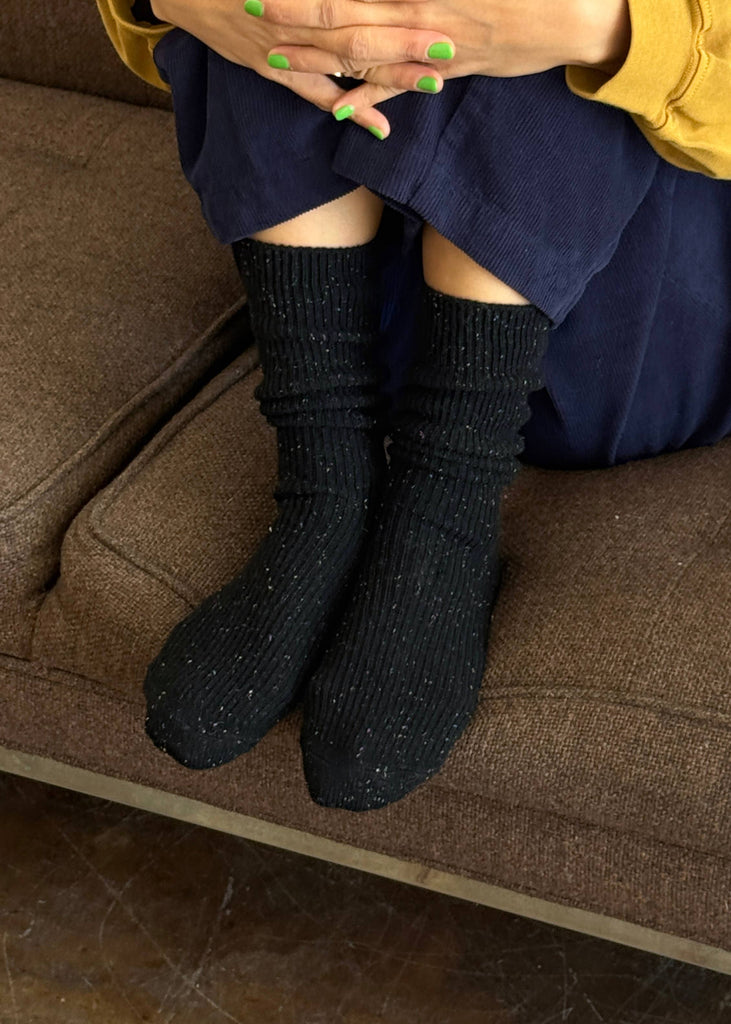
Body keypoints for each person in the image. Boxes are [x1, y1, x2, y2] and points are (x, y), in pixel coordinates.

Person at [95, 0, 731, 812]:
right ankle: (325, 484)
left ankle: (445, 504)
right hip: (356, 295)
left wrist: (597, 32)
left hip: (641, 325)